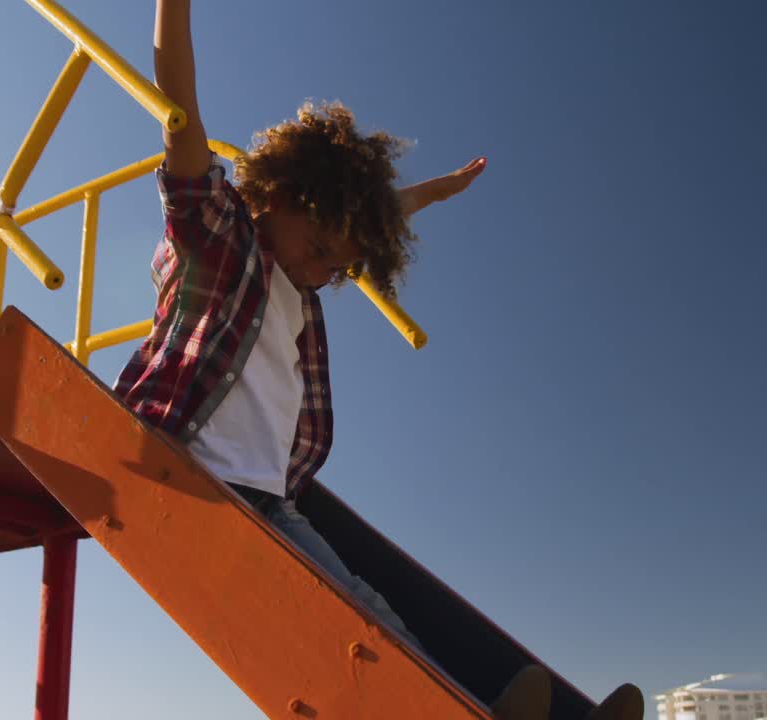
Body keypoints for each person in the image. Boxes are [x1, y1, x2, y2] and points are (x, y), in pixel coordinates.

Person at [116, 2, 644, 718]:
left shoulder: (302, 298)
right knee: (351, 623)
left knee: (371, 612)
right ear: (277, 194)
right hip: (195, 471)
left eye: (341, 263)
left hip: (270, 499)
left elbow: (376, 218)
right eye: (320, 246)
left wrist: (437, 191)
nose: (326, 268)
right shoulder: (220, 236)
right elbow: (179, 109)